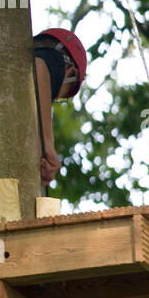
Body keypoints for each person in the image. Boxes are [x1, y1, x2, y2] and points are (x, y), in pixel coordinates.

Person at [32, 27, 88, 186]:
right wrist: (47, 145)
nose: (53, 98)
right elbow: (42, 64)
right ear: (69, 72)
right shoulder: (53, 59)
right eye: (57, 95)